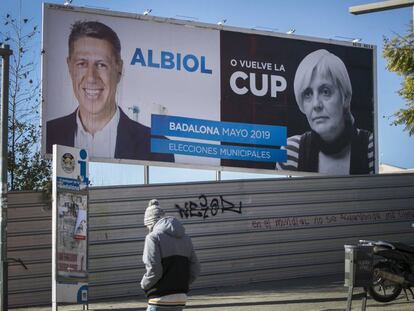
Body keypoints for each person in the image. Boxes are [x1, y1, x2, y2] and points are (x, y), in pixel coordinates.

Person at [46, 20, 174, 162]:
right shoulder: (48, 134)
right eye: (82, 64)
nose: (91, 78)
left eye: (101, 65)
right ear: (70, 67)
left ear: (119, 69)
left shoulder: (157, 146)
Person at [276, 49, 374, 175]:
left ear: (346, 98)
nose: (316, 104)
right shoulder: (291, 150)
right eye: (308, 94)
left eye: (325, 91)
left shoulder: (371, 147)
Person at [141, 199, 200, 311]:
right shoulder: (186, 238)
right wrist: (180, 284)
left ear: (150, 223)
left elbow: (154, 270)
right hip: (181, 298)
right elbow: (196, 269)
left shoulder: (153, 238)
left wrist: (144, 284)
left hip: (159, 298)